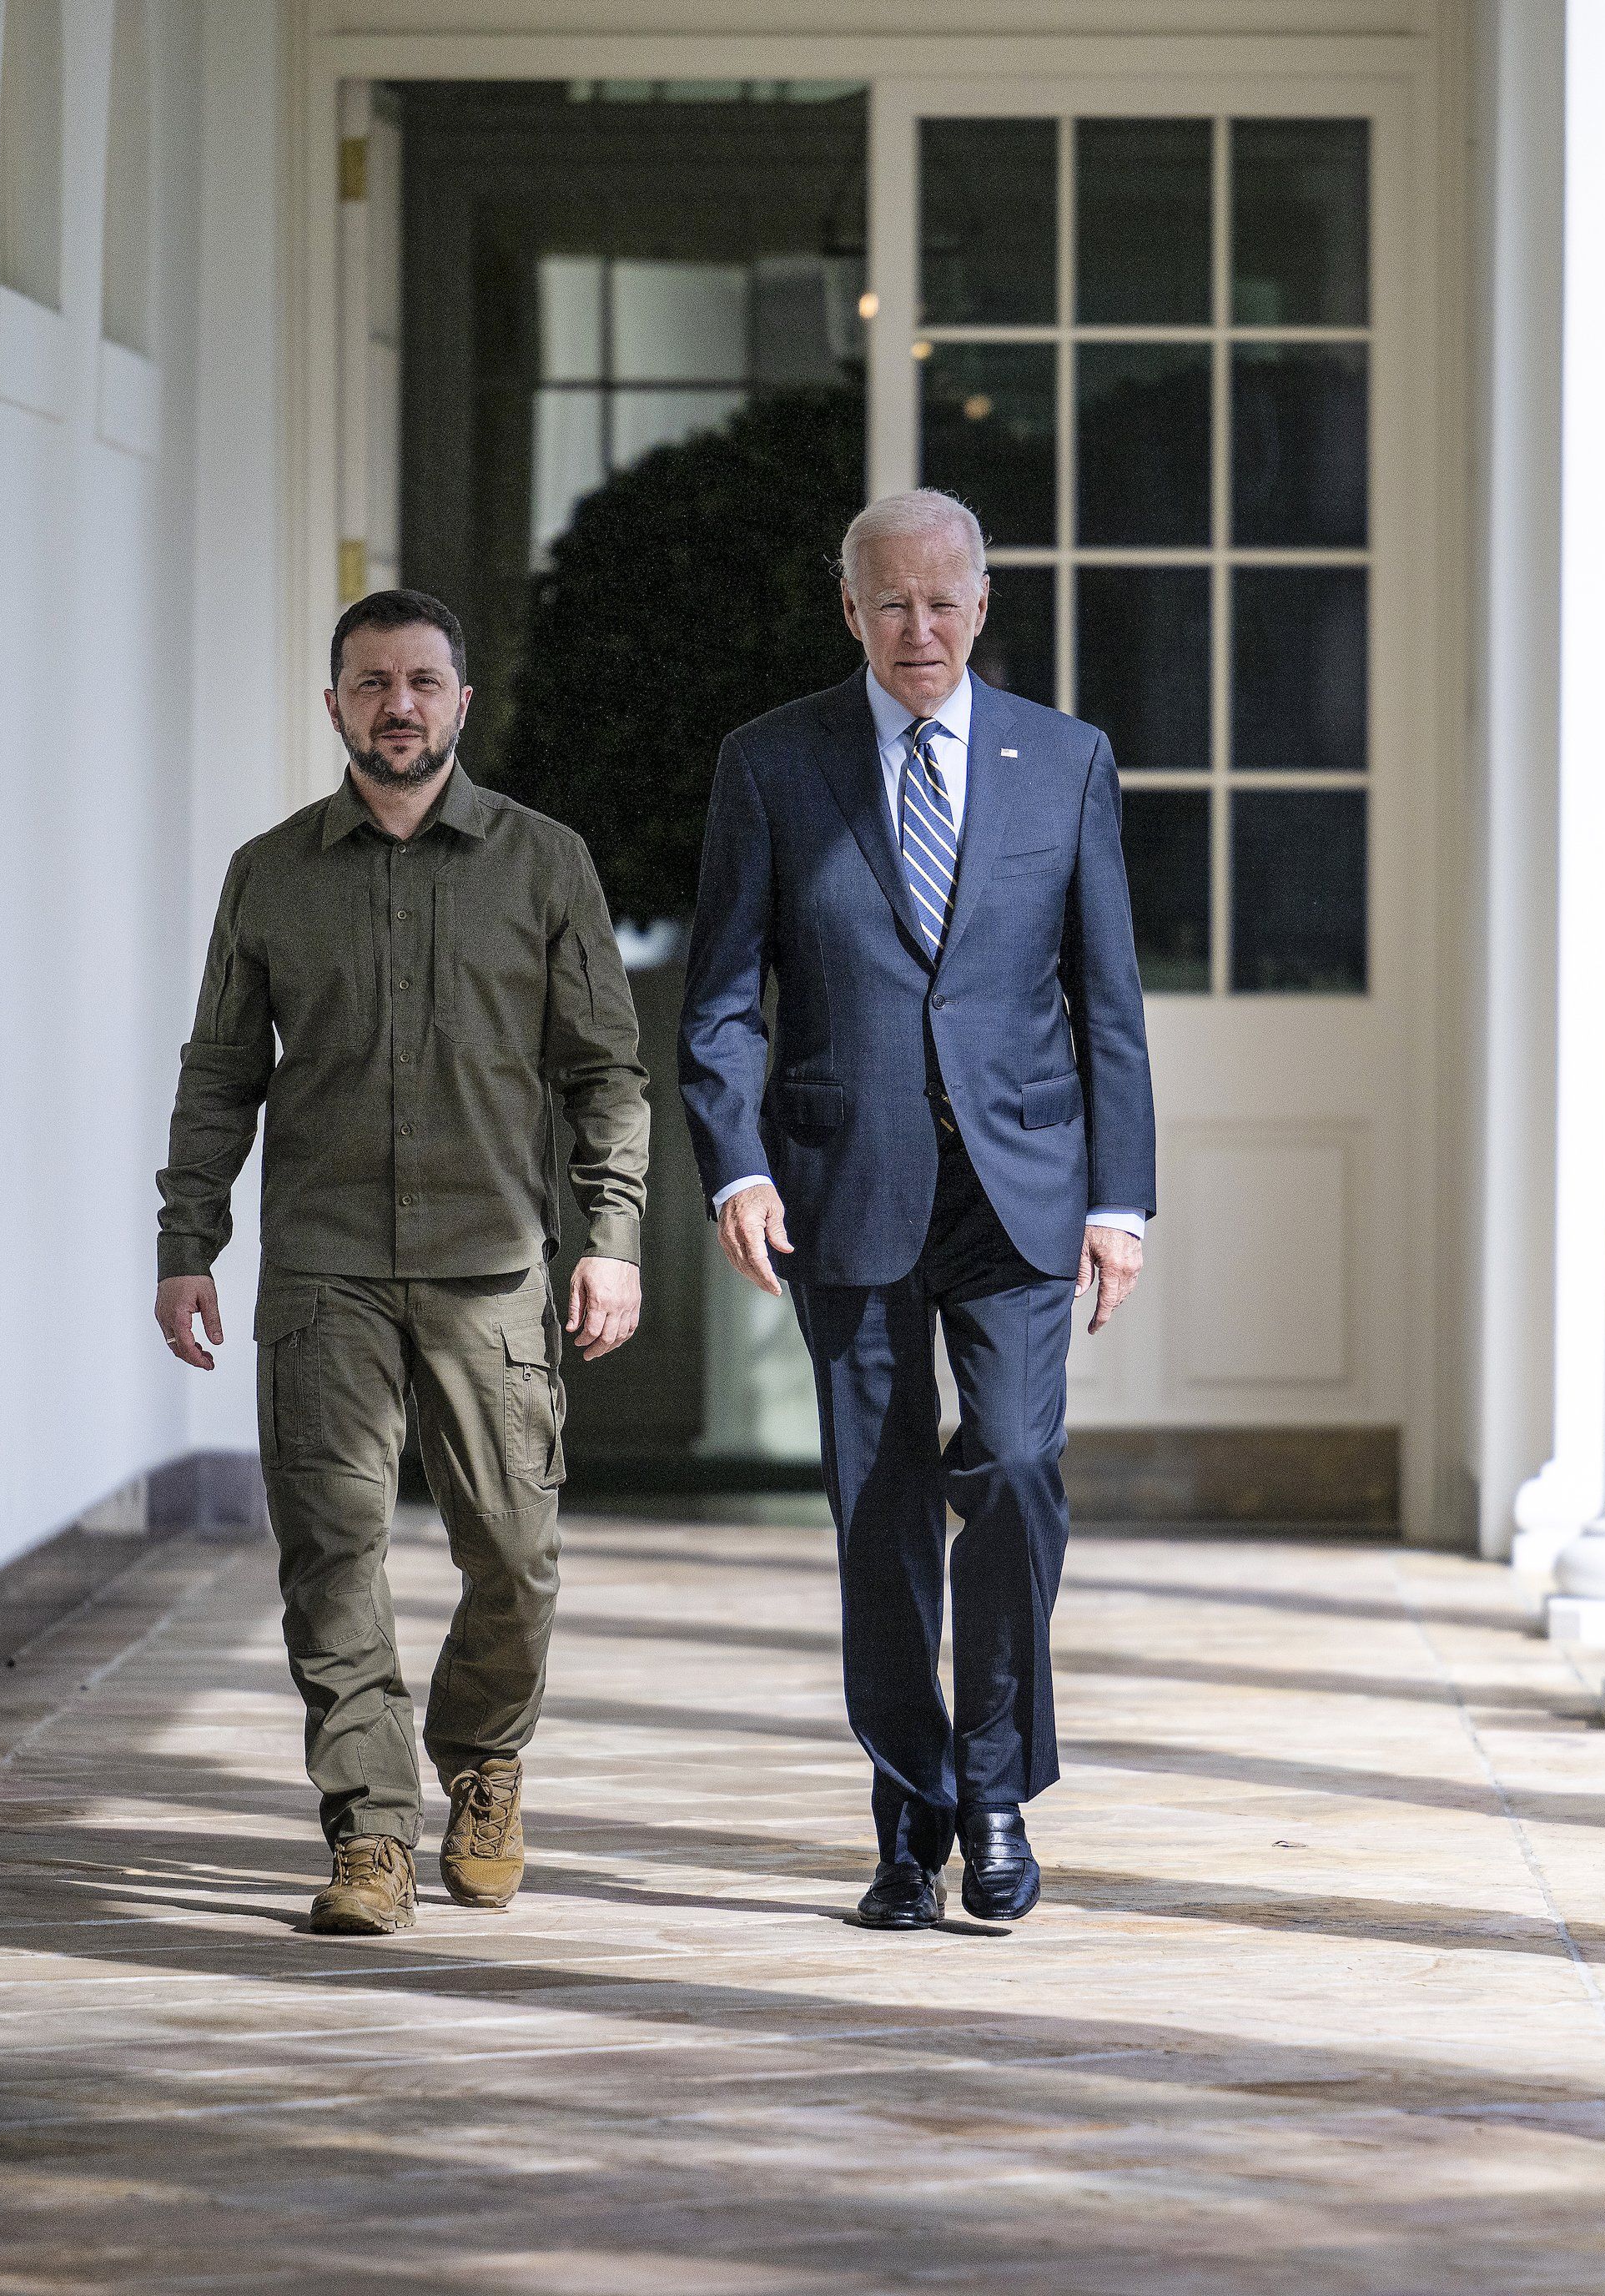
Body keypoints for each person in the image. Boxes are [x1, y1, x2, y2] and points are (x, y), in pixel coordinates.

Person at [680, 488, 1155, 1931]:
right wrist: (739, 1165)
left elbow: (1107, 999)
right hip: (847, 1189)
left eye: (944, 600)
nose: (919, 628)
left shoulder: (1063, 763)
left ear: (983, 604)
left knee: (1011, 1471)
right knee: (878, 1512)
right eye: (891, 601)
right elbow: (719, 1003)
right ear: (849, 610)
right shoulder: (773, 763)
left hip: (1021, 1191)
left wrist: (1120, 1200)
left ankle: (999, 1787)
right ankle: (911, 1816)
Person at [154, 589, 649, 1936]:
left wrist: (609, 1240)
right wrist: (187, 1240)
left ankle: (483, 1759)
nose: (398, 705)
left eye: (423, 680)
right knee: (334, 1550)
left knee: (517, 1553)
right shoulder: (271, 873)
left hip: (494, 1269)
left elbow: (606, 1077)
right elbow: (219, 1076)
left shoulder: (544, 864)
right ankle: (368, 1832)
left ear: (462, 702)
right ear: (334, 706)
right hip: (324, 1271)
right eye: (371, 683)